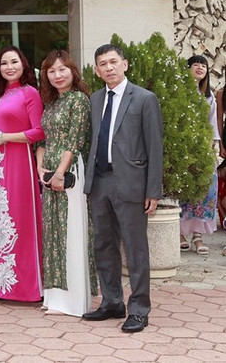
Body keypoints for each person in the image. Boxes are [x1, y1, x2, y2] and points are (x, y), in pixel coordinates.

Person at [82, 44, 163, 333]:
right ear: (97, 70)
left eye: (113, 62)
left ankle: (139, 309)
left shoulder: (144, 98)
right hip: (99, 182)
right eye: (102, 64)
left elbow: (155, 146)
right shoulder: (95, 99)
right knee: (103, 245)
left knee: (135, 248)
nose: (109, 67)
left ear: (125, 64)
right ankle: (112, 302)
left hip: (131, 183)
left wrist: (153, 190)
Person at [35, 50, 96, 316]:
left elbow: (75, 140)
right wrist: (40, 168)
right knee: (53, 234)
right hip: (49, 172)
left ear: (73, 71)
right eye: (51, 71)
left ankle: (74, 301)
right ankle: (55, 297)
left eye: (62, 69)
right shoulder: (51, 102)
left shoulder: (79, 100)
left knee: (71, 231)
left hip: (69, 171)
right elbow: (43, 139)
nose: (57, 75)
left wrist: (60, 172)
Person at [0, 46, 44, 302]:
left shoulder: (30, 93)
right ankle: (1, 284)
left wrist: (6, 138)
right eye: (4, 63)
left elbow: (39, 131)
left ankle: (27, 288)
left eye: (14, 62)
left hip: (19, 161)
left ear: (23, 65)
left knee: (20, 220)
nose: (9, 67)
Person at [180, 56, 219, 255]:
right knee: (182, 190)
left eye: (204, 65)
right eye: (196, 64)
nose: (200, 68)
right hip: (182, 148)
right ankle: (179, 234)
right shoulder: (179, 92)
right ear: (187, 68)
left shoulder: (209, 97)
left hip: (203, 149)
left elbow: (212, 123)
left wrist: (210, 148)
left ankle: (197, 235)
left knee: (205, 190)